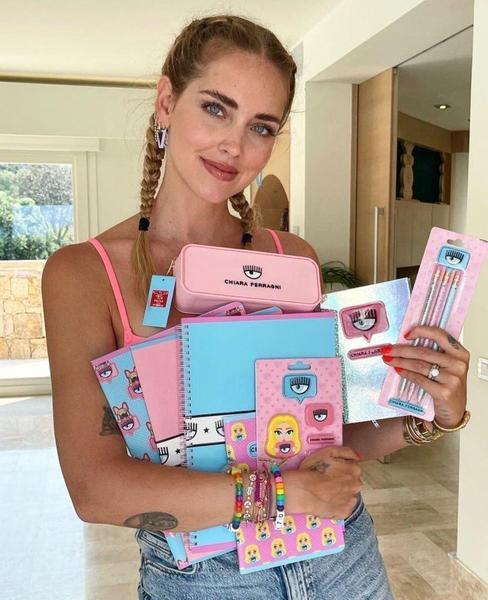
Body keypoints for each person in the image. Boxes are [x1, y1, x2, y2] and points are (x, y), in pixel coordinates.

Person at [42, 15, 470, 600]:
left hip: (341, 559)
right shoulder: (84, 274)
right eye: (215, 108)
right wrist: (285, 494)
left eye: (261, 126)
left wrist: (432, 413)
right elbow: (95, 490)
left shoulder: (292, 258)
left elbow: (327, 434)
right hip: (206, 582)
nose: (235, 145)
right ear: (166, 103)